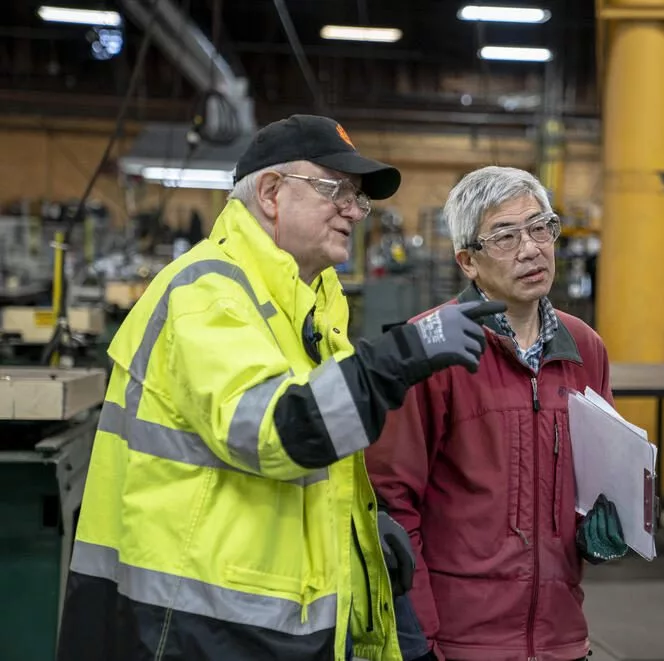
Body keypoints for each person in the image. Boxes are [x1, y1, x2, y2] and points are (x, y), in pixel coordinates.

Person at [56, 115, 504, 661]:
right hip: (196, 628)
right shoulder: (208, 294)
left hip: (259, 624)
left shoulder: (311, 304)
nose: (353, 211)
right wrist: (402, 353)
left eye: (358, 198)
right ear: (271, 192)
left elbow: (321, 455)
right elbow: (278, 431)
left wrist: (359, 539)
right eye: (335, 189)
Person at [365, 166, 629, 661]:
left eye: (540, 227)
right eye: (505, 236)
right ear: (468, 260)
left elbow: (603, 475)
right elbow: (391, 504)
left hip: (561, 637)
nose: (531, 249)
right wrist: (417, 636)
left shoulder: (585, 348)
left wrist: (609, 523)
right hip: (461, 641)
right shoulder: (429, 350)